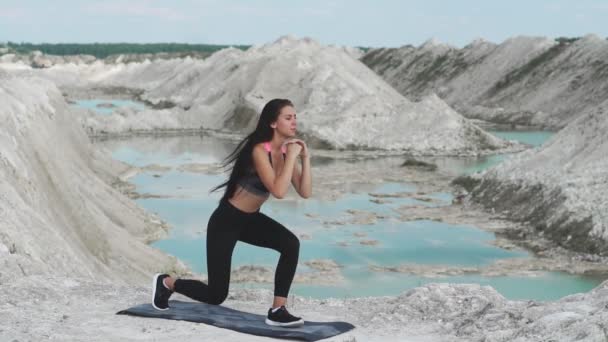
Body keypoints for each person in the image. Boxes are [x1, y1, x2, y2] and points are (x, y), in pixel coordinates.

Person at [151, 99, 312, 328]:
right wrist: (291, 157)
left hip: (250, 220)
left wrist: (304, 159)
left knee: (290, 244)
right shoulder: (259, 150)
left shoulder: (285, 154)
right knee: (216, 295)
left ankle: (277, 310)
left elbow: (305, 192)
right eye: (288, 117)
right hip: (226, 220)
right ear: (273, 123)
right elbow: (278, 190)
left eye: (295, 117)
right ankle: (166, 282)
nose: (294, 121)